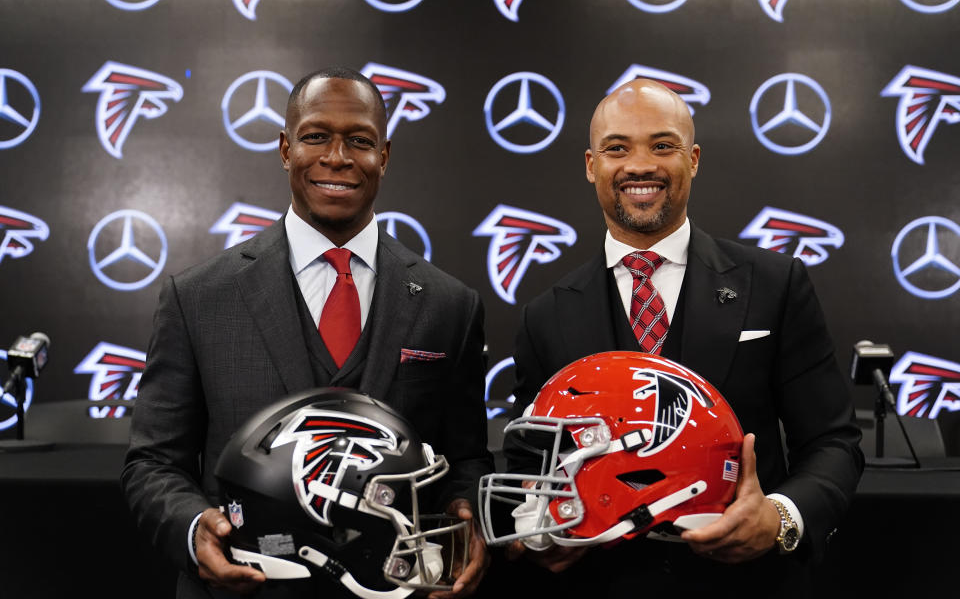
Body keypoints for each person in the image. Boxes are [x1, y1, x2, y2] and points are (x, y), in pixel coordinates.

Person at [121, 67, 493, 599]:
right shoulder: (198, 297)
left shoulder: (450, 304)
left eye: (359, 141)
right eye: (316, 136)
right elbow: (153, 462)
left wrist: (464, 512)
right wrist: (191, 526)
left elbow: (466, 458)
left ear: (383, 156)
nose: (337, 157)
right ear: (285, 148)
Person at [502, 79, 864, 596]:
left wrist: (780, 518)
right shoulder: (546, 315)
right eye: (617, 148)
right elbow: (530, 465)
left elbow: (833, 441)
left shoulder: (776, 284)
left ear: (693, 159)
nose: (640, 165)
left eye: (662, 145)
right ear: (591, 165)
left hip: (748, 586)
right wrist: (539, 532)